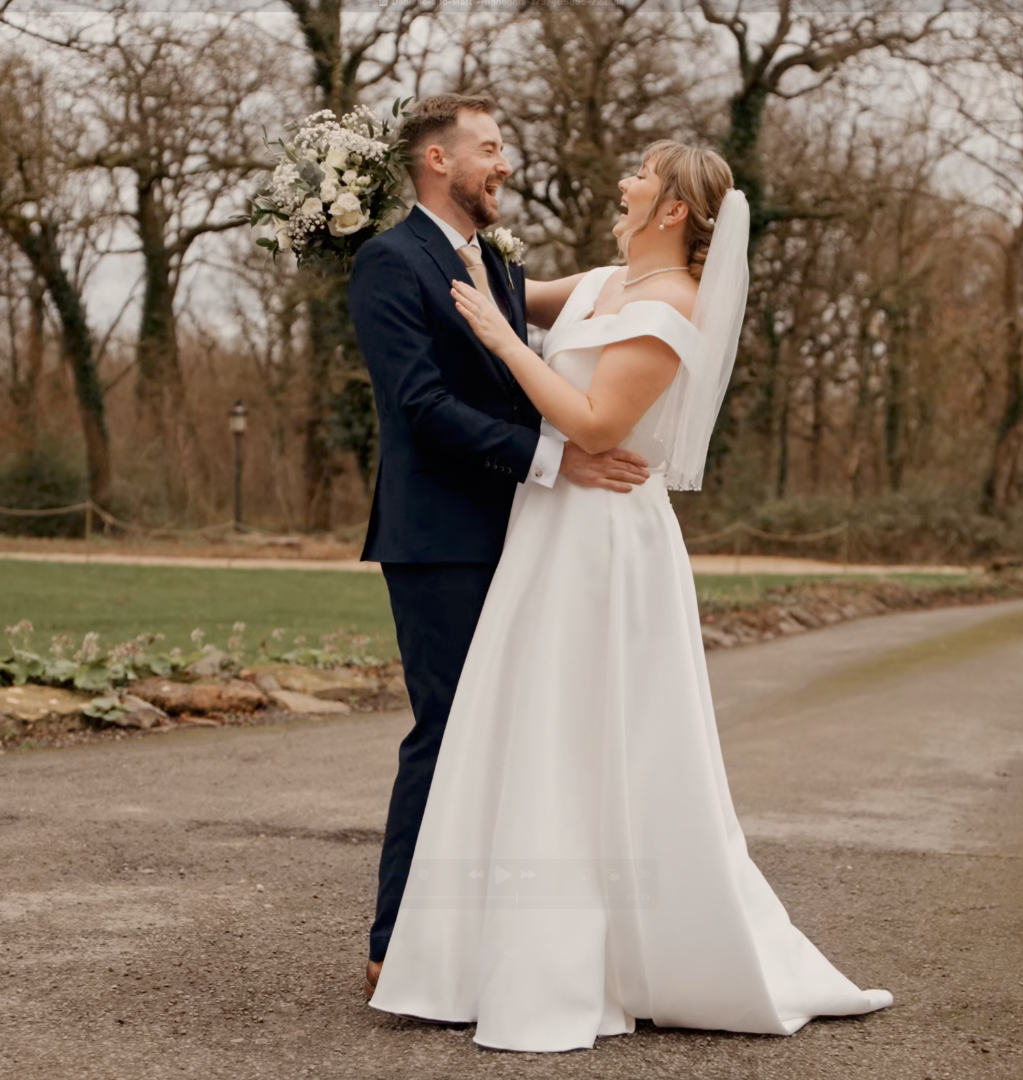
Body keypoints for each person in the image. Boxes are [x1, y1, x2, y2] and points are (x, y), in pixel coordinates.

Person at [363, 137, 893, 1052]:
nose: (623, 181)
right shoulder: (605, 281)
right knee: (531, 730)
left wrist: (498, 339)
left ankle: (610, 955)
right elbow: (484, 281)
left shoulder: (672, 305)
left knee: (594, 733)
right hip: (551, 531)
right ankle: (477, 948)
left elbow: (596, 421)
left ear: (676, 209)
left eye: (640, 175)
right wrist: (372, 228)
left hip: (606, 537)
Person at [346, 93, 650, 1000]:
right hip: (437, 537)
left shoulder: (498, 262)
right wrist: (562, 459)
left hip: (520, 534)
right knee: (445, 735)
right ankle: (393, 945)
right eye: (489, 147)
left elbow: (568, 327)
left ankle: (479, 942)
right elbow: (420, 407)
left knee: (508, 739)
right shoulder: (388, 262)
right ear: (437, 161)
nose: (505, 162)